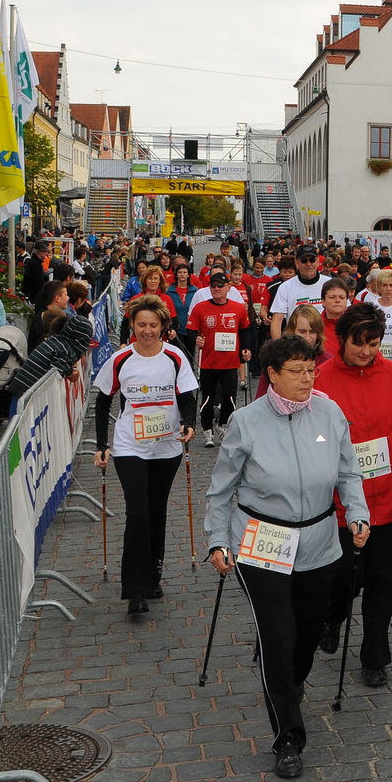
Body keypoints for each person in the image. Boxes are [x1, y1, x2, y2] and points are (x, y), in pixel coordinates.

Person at [203, 334, 369, 780]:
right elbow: (221, 488)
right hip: (261, 544)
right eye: (296, 371)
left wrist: (358, 513)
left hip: (318, 541)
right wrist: (218, 540)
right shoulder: (246, 421)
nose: (306, 378)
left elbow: (349, 471)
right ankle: (288, 737)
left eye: (311, 369)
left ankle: (292, 680)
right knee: (278, 636)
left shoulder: (329, 411)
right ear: (271, 375)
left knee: (307, 632)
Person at [315, 304, 392, 689]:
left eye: (374, 344)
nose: (366, 352)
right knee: (344, 575)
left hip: (388, 498)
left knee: (383, 580)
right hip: (340, 504)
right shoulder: (321, 379)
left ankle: (375, 655)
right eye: (358, 343)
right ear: (341, 339)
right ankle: (331, 615)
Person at [94, 295, 199, 615]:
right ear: (132, 325)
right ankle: (135, 590)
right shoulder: (121, 358)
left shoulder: (175, 357)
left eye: (153, 325)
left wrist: (189, 423)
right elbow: (102, 402)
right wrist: (102, 444)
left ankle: (154, 577)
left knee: (156, 512)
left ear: (163, 326)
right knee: (137, 513)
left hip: (167, 447)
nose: (148, 331)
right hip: (130, 446)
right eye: (141, 325)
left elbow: (187, 397)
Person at [187, 271, 252, 446]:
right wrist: (196, 339)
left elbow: (245, 330)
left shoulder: (237, 308)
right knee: (207, 399)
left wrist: (246, 349)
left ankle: (222, 426)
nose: (216, 289)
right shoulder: (200, 307)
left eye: (220, 286)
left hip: (230, 363)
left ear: (228, 288)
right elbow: (191, 330)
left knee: (230, 398)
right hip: (208, 362)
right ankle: (207, 431)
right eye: (213, 286)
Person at [267, 245, 331, 340]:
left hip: (327, 341)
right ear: (297, 263)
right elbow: (276, 321)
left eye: (312, 260)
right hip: (297, 345)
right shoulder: (285, 287)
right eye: (304, 261)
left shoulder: (330, 284)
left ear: (318, 262)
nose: (308, 264)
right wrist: (279, 349)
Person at [167, 263, 200, 361]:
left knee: (190, 357)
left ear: (188, 275)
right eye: (180, 272)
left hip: (191, 329)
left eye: (184, 272)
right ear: (176, 274)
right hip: (176, 329)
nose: (182, 274)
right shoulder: (169, 292)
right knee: (176, 357)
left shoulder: (195, 291)